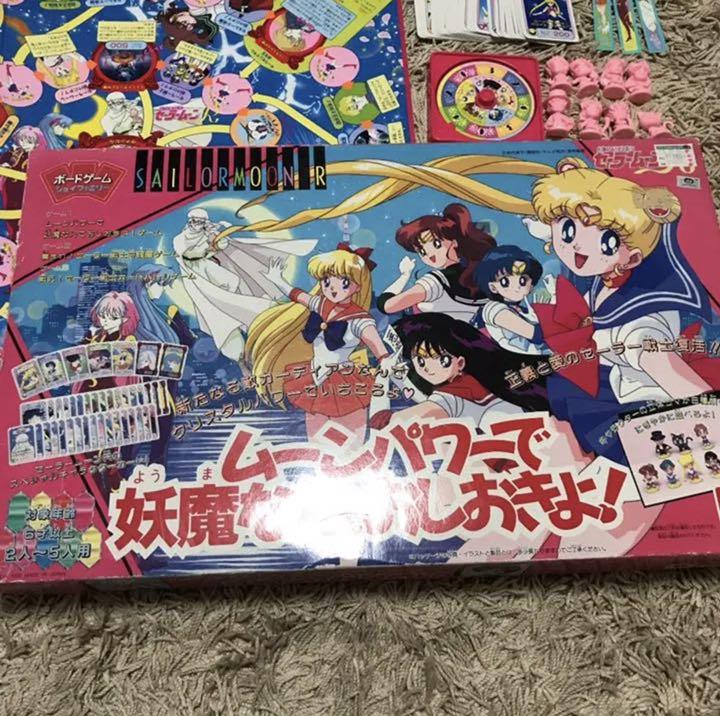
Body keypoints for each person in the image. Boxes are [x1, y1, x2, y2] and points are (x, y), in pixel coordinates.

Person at [246, 246, 389, 440]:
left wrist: (385, 376)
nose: (332, 288)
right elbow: (296, 294)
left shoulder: (360, 320)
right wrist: (276, 279)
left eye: (344, 282)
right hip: (314, 377)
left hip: (345, 382)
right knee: (316, 441)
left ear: (358, 286)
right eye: (326, 281)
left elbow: (382, 354)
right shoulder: (320, 304)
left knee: (352, 441)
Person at [173, 206, 316, 361]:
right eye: (194, 221)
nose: (196, 225)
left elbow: (222, 245)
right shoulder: (180, 238)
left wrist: (219, 237)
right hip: (196, 275)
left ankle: (237, 306)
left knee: (232, 281)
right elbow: (189, 254)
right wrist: (210, 245)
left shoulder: (207, 233)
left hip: (208, 267)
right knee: (219, 302)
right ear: (189, 221)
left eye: (199, 222)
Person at [371, 313, 547, 431]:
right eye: (420, 361)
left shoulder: (453, 393)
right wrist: (399, 379)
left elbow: (385, 425)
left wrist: (382, 377)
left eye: (442, 360)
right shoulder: (480, 380)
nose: (427, 368)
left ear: (460, 362)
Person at [377, 203, 497, 324]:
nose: (430, 255)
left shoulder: (435, 281)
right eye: (422, 251)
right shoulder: (479, 277)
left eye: (436, 244)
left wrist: (405, 275)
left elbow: (386, 305)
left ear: (454, 241)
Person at [473, 245, 549, 355]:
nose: (516, 287)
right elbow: (534, 334)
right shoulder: (493, 309)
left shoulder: (522, 310)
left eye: (522, 280)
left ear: (531, 286)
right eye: (505, 282)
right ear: (493, 287)